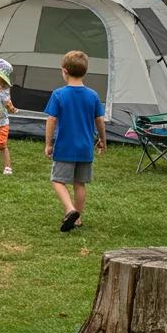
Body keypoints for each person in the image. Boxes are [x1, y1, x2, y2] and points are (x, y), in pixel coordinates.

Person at [44, 50, 106, 232]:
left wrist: (48, 143)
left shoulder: (59, 94)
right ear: (84, 72)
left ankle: (70, 209)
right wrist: (103, 140)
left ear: (64, 71)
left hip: (65, 147)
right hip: (85, 148)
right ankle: (77, 218)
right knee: (80, 183)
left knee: (57, 180)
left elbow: (51, 120)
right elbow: (99, 121)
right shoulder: (93, 95)